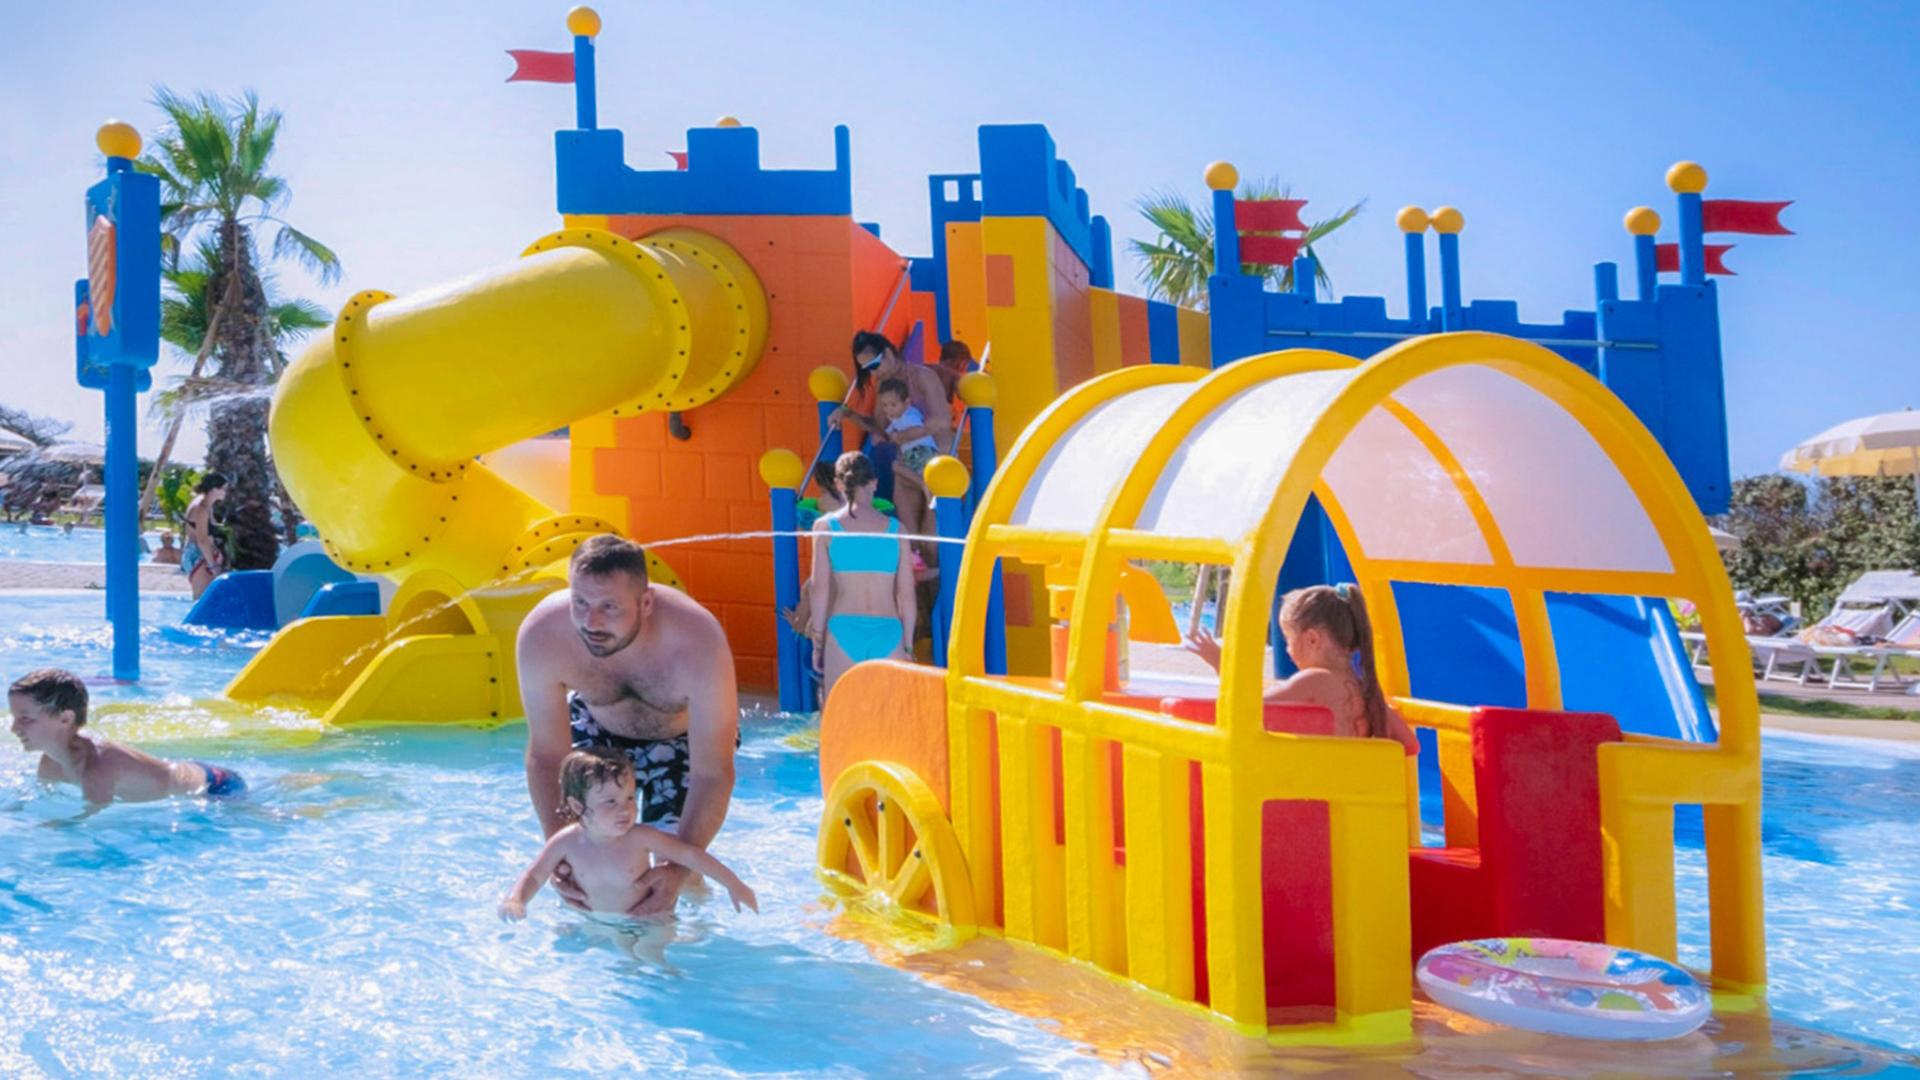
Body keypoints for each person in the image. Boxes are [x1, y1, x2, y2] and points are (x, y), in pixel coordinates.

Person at [517, 534, 740, 917]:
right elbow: (547, 754)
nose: (592, 621)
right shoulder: (542, 635)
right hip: (596, 728)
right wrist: (562, 851)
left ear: (646, 602)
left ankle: (699, 935)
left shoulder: (698, 641)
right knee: (591, 867)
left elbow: (713, 771)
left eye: (610, 607)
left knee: (671, 878)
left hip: (681, 741)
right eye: (581, 603)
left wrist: (678, 870)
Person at [499, 748, 757, 921]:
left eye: (631, 797)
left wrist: (733, 883)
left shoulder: (641, 837)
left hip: (646, 921)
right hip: (590, 919)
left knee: (651, 955)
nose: (626, 809)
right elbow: (534, 874)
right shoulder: (566, 841)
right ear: (577, 806)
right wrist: (516, 899)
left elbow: (691, 856)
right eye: (611, 801)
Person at [1184, 583, 1419, 753]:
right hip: (1357, 802)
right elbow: (1409, 744)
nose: (1287, 649)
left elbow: (1246, 708)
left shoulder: (1314, 681)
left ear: (1312, 639)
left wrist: (1220, 663)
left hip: (1319, 799)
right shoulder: (1367, 692)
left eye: (1288, 639)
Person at [9, 668, 246, 805]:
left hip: (215, 786)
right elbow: (38, 800)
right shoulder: (50, 763)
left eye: (25, 719)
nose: (14, 728)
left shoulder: (97, 767)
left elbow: (88, 822)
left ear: (65, 719)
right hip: (191, 772)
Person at [808, 453, 916, 697]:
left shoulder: (825, 527)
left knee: (840, 723)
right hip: (888, 631)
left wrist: (818, 642)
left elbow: (819, 588)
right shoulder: (898, 531)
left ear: (839, 485)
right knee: (888, 723)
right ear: (874, 482)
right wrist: (907, 645)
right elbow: (907, 595)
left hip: (844, 628)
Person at [181, 472, 228, 599]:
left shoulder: (207, 505)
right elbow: (202, 540)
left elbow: (211, 528)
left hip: (205, 555)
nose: (226, 492)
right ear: (214, 489)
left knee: (209, 599)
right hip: (199, 555)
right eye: (224, 489)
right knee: (201, 599)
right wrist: (213, 566)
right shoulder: (200, 508)